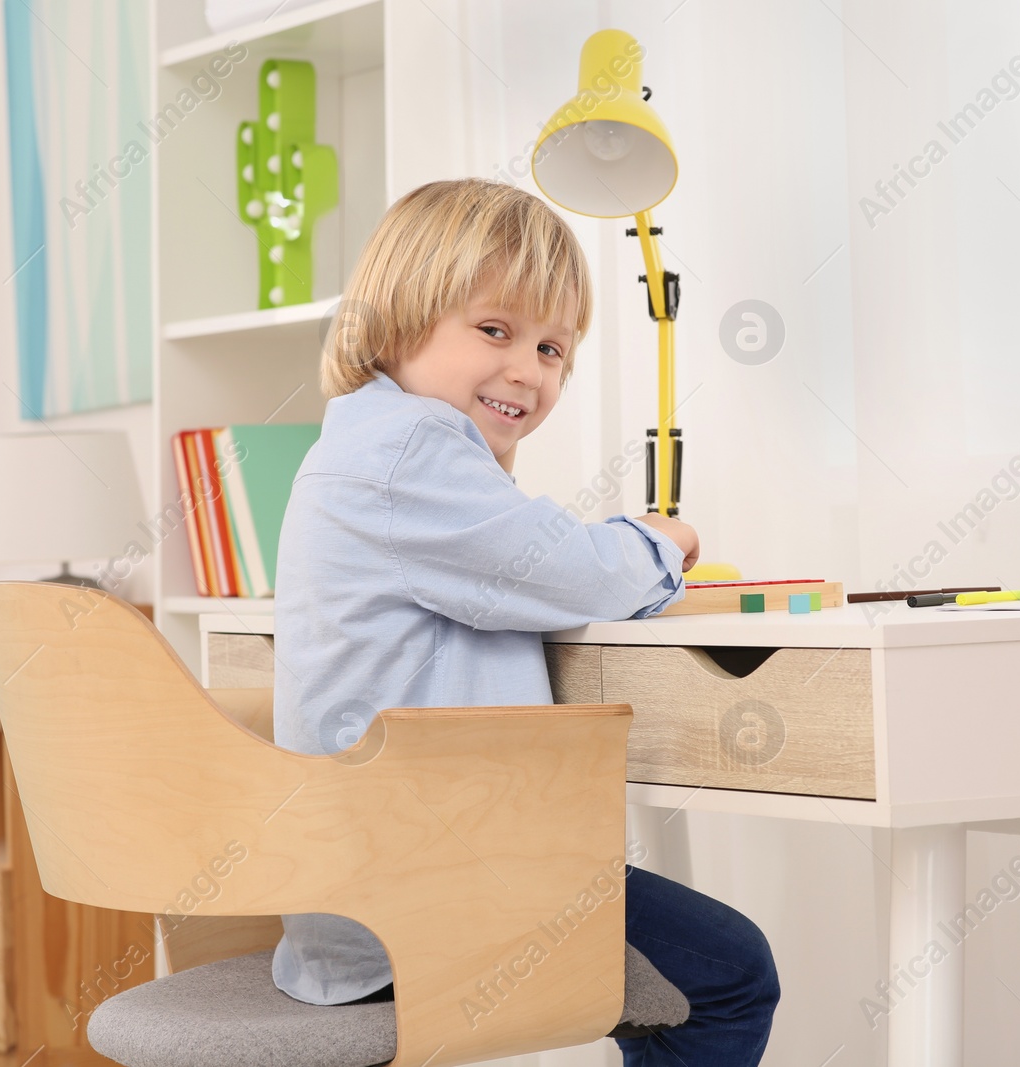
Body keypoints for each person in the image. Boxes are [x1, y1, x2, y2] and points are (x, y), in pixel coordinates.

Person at [270, 176, 780, 1064]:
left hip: (363, 887)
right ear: (394, 321)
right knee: (729, 974)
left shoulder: (361, 444)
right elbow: (568, 567)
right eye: (494, 329)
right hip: (424, 893)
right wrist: (662, 540)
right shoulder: (406, 450)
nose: (526, 369)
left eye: (553, 348)